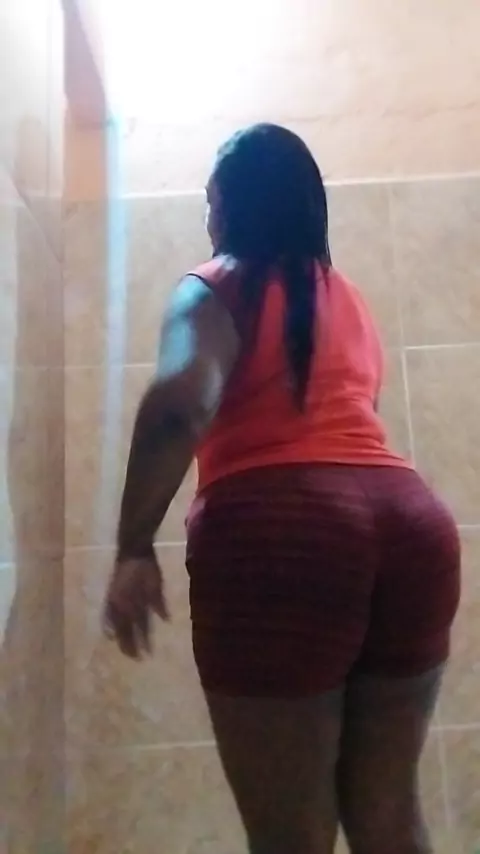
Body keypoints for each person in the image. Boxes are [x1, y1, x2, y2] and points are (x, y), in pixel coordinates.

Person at [103, 124, 461, 854]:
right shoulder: (349, 300)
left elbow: (179, 404)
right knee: (390, 817)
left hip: (285, 535)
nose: (209, 220)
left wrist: (133, 546)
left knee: (289, 837)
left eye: (212, 203)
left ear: (235, 206)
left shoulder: (214, 285)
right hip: (412, 528)